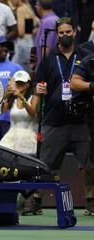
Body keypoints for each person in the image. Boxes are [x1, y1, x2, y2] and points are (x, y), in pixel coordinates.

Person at [25, 17, 93, 216]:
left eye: (68, 32)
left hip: (82, 120)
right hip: (53, 120)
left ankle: (91, 201)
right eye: (61, 32)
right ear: (57, 34)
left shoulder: (87, 56)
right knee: (45, 165)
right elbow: (39, 87)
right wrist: (38, 91)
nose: (64, 35)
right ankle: (35, 201)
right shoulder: (48, 59)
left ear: (74, 32)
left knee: (89, 165)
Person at [70, 53, 94, 216]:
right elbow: (74, 82)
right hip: (91, 119)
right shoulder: (90, 60)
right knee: (90, 162)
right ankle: (91, 201)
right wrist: (92, 86)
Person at [0, 70, 38, 155]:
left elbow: (32, 114)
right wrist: (6, 95)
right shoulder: (12, 99)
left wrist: (21, 97)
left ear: (28, 84)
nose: (19, 85)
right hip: (12, 135)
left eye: (22, 82)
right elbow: (2, 111)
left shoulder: (34, 98)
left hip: (28, 136)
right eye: (17, 82)